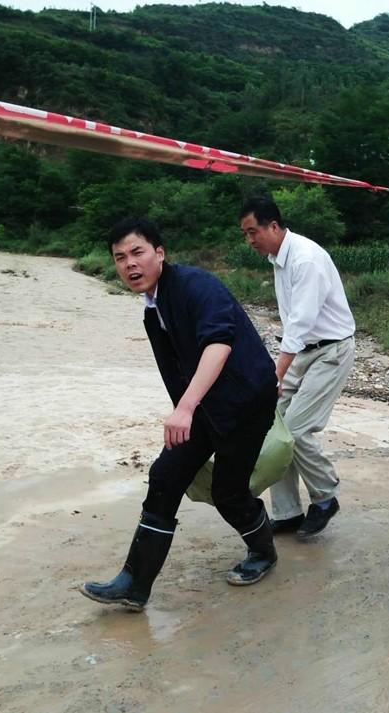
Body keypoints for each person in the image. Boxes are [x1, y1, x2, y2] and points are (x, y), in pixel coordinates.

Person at [80, 218, 279, 611]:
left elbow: (219, 344)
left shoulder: (195, 286)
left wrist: (185, 408)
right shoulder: (153, 308)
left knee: (228, 492)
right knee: (166, 475)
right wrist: (184, 407)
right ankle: (134, 584)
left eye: (137, 253)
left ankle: (264, 552)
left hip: (245, 405)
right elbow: (179, 366)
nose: (129, 264)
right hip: (204, 405)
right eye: (120, 258)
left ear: (160, 253)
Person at [240, 196, 356, 539]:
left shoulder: (305, 259)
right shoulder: (279, 259)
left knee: (296, 429)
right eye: (245, 234)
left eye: (252, 232)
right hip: (303, 351)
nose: (249, 240)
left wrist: (276, 373)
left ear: (273, 226)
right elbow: (293, 325)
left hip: (330, 351)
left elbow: (301, 323)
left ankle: (325, 496)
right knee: (272, 426)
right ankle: (288, 511)